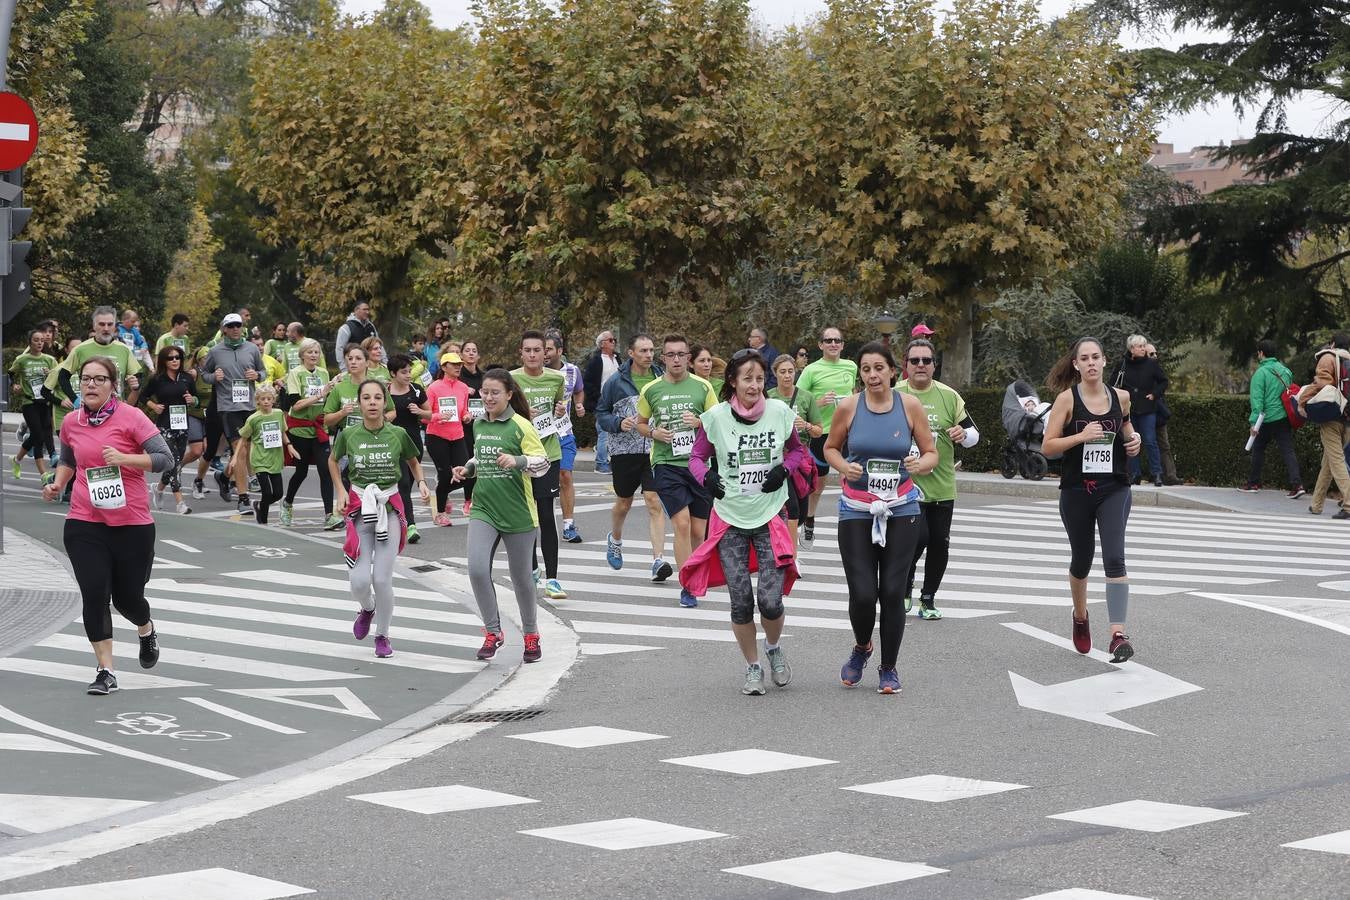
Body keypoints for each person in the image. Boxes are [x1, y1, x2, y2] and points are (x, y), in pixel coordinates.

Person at [42, 356, 173, 695]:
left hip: (132, 524)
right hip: (85, 521)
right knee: (95, 594)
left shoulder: (132, 417)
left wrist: (125, 458)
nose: (90, 385)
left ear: (113, 385)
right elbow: (70, 458)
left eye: (99, 379)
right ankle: (106, 670)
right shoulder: (72, 422)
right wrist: (58, 483)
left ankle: (145, 629)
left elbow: (164, 458)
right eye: (85, 379)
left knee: (129, 599)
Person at [685, 350, 805, 694]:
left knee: (770, 600)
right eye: (746, 379)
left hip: (770, 515)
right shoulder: (716, 418)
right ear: (733, 382)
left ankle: (773, 648)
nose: (754, 385)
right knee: (740, 600)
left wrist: (784, 469)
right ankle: (752, 667)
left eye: (758, 378)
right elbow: (696, 457)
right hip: (729, 518)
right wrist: (706, 478)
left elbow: (797, 451)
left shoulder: (780, 413)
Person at [824, 342, 938, 694]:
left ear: (893, 371)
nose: (872, 375)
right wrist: (844, 465)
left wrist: (921, 464)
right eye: (866, 369)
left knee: (891, 590)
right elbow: (829, 447)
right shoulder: (848, 407)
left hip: (901, 507)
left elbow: (931, 451)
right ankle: (862, 647)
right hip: (857, 509)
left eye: (878, 368)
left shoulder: (910, 406)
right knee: (862, 593)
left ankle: (889, 668)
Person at [1041, 336, 1143, 663]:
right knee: (1082, 560)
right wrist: (1080, 436)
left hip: (1114, 487)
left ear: (1104, 360)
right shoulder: (1066, 400)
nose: (1090, 363)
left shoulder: (1122, 397)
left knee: (1115, 558)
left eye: (1095, 357)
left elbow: (1126, 426)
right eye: (1083, 359)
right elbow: (1048, 446)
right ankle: (1081, 615)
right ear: (1076, 365)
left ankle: (1117, 634)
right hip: (1075, 491)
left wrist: (1133, 440)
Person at [455, 368, 552, 664]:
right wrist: (468, 468)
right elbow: (481, 456)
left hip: (518, 511)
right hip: (484, 507)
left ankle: (531, 635)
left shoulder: (521, 425)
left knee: (522, 579)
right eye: (484, 392)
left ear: (509, 394)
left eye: (494, 392)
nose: (488, 397)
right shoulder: (479, 424)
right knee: (476, 569)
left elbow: (543, 463)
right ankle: (493, 632)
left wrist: (518, 460)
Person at [328, 378, 428, 658]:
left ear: (385, 402)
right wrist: (340, 491)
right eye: (366, 398)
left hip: (389, 507)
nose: (372, 403)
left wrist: (420, 482)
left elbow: (413, 460)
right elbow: (333, 461)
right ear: (359, 403)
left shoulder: (397, 433)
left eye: (377, 398)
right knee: (360, 581)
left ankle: (382, 635)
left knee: (382, 579)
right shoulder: (349, 435)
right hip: (360, 507)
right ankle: (368, 608)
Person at [898, 337, 980, 619]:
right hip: (905, 486)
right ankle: (904, 587)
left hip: (942, 484)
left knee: (939, 544)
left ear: (935, 365)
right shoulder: (894, 393)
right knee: (915, 538)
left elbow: (973, 435)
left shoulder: (949, 396)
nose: (921, 365)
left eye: (926, 360)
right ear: (905, 365)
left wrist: (963, 434)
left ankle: (928, 599)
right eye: (915, 360)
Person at [637, 334, 718, 608]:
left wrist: (700, 421)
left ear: (688, 358)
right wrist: (653, 433)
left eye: (680, 354)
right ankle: (688, 586)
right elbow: (640, 424)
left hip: (697, 465)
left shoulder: (703, 387)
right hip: (666, 464)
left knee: (698, 530)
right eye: (670, 355)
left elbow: (717, 424)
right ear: (664, 358)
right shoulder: (651, 390)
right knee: (681, 524)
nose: (675, 359)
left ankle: (696, 573)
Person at [596, 334, 672, 582]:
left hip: (654, 449)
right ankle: (615, 538)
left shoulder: (662, 379)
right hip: (624, 451)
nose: (649, 355)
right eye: (643, 351)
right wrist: (618, 422)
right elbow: (601, 414)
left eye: (651, 350)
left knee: (653, 500)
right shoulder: (617, 381)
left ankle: (658, 560)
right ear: (631, 353)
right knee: (624, 502)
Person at [512, 331, 569, 601]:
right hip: (521, 456)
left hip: (548, 453)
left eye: (538, 350)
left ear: (545, 353)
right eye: (528, 350)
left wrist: (560, 412)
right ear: (521, 353)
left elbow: (561, 409)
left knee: (546, 515)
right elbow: (500, 414)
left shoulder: (556, 378)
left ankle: (553, 578)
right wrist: (522, 414)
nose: (533, 355)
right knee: (526, 517)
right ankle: (532, 569)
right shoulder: (511, 379)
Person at [796, 325, 857, 547]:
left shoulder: (851, 367)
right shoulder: (811, 370)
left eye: (837, 341)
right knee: (818, 484)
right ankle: (810, 520)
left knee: (849, 478)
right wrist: (818, 402)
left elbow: (853, 394)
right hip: (821, 432)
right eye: (829, 340)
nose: (833, 344)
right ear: (820, 345)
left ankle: (852, 524)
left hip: (848, 432)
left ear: (842, 345)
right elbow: (798, 400)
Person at [202, 312, 265, 515]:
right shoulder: (216, 351)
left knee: (248, 450)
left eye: (238, 325)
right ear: (224, 329)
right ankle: (244, 499)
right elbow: (203, 374)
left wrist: (257, 375)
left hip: (249, 406)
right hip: (228, 408)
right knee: (241, 450)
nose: (236, 329)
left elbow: (263, 372)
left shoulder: (252, 349)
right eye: (231, 326)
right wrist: (214, 377)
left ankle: (224, 476)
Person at [281, 338, 340, 529]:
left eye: (317, 352)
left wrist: (333, 389)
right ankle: (288, 502)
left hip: (319, 429)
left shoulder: (323, 373)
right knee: (301, 471)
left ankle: (329, 515)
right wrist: (320, 395)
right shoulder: (295, 374)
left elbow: (329, 398)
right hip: (299, 428)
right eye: (310, 352)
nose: (314, 355)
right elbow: (295, 404)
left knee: (326, 470)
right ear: (302, 355)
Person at [766, 353, 822, 544]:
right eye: (783, 372)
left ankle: (789, 538)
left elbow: (818, 431)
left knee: (801, 510)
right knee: (791, 508)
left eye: (790, 371)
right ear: (775, 373)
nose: (787, 376)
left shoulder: (806, 397)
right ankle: (790, 554)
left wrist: (805, 425)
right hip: (777, 458)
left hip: (801, 459)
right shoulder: (768, 398)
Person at [142, 344, 201, 515]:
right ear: (163, 361)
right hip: (164, 425)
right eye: (170, 358)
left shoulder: (187, 378)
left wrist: (193, 400)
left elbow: (196, 399)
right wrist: (153, 405)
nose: (175, 360)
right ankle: (180, 502)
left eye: (178, 357)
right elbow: (143, 395)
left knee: (174, 462)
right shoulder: (157, 379)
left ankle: (159, 489)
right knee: (174, 461)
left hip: (182, 425)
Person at [1242, 339, 1303, 497]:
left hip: (1266, 419)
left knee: (1258, 449)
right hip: (1283, 417)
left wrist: (1254, 423)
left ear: (1261, 353)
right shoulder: (1285, 370)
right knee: (1288, 450)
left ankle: (1253, 483)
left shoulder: (1260, 374)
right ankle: (1298, 485)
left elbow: (1257, 401)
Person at [1299, 334, 1350, 520]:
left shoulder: (1328, 357)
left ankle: (1349, 505)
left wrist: (1303, 400)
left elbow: (1323, 384)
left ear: (1333, 344)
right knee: (1328, 462)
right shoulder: (1347, 361)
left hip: (1332, 416)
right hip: (1348, 420)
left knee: (1336, 462)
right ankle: (1316, 504)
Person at [230, 384, 296, 524]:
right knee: (266, 493)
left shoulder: (278, 414)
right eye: (263, 399)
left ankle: (259, 505)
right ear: (257, 401)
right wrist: (235, 457)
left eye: (269, 398)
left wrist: (289, 446)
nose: (266, 401)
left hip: (276, 459)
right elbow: (243, 439)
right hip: (259, 459)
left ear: (273, 400)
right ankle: (263, 521)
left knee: (278, 493)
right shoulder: (253, 419)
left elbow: (282, 432)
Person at [545, 330, 587, 544]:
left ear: (559, 351)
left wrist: (579, 404)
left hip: (564, 431)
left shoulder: (572, 371)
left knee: (565, 476)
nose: (544, 353)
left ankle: (569, 525)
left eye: (548, 349)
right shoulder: (535, 373)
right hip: (540, 435)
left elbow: (579, 391)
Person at [52, 307, 143, 405]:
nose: (106, 328)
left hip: (115, 410)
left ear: (115, 327)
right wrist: (75, 400)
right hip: (88, 410)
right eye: (102, 324)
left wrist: (132, 395)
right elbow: (62, 377)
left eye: (110, 324)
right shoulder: (80, 349)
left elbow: (137, 380)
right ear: (94, 326)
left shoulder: (124, 350)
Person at [386, 353, 431, 544]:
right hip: (392, 443)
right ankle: (410, 525)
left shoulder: (417, 390)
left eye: (409, 371)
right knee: (403, 483)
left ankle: (398, 519)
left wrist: (420, 412)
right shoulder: (385, 391)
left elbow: (429, 414)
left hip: (413, 442)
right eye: (404, 372)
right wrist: (388, 417)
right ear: (392, 373)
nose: (408, 375)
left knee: (408, 483)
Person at [425, 351, 473, 525]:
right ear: (444, 367)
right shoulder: (434, 388)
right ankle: (440, 513)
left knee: (467, 473)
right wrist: (438, 416)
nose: (458, 367)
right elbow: (424, 416)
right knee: (445, 475)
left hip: (458, 435)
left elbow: (464, 410)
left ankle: (440, 492)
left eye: (460, 364)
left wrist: (467, 416)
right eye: (454, 364)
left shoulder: (463, 387)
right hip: (437, 436)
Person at [1114, 334, 1167, 487]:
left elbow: (1164, 382)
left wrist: (1154, 394)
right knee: (1132, 442)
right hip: (1129, 410)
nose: (1143, 349)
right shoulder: (1123, 364)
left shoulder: (1152, 364)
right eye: (1140, 346)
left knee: (1150, 441)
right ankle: (1134, 474)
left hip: (1148, 409)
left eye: (1144, 346)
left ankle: (1157, 474)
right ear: (1132, 349)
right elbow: (1113, 384)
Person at [9, 329, 56, 481]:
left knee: (37, 435)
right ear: (30, 342)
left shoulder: (49, 360)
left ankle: (16, 460)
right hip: (29, 402)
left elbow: (57, 377)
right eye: (36, 340)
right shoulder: (22, 359)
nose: (40, 342)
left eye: (42, 340)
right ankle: (43, 475)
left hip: (45, 402)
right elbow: (11, 374)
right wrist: (14, 385)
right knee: (38, 436)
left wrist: (50, 373)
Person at [583, 330, 620, 474]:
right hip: (602, 403)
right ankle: (601, 464)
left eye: (614, 339)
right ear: (602, 344)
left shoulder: (618, 359)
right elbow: (588, 383)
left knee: (615, 432)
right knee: (604, 432)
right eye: (611, 340)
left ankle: (608, 458)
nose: (614, 342)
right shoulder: (596, 361)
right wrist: (598, 399)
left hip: (618, 402)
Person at [1144, 343, 1181, 485]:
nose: (1155, 356)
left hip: (1158, 415)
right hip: (1146, 413)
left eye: (1155, 353)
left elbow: (1161, 388)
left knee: (1164, 445)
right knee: (1147, 444)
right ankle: (1153, 474)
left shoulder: (1157, 370)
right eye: (1151, 354)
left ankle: (1170, 475)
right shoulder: (1142, 371)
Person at [334, 301, 379, 371]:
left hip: (370, 368)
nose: (367, 312)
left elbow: (379, 346)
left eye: (368, 309)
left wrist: (385, 363)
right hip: (354, 368)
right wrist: (344, 368)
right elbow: (340, 348)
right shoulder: (346, 327)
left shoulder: (371, 326)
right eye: (364, 309)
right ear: (356, 310)